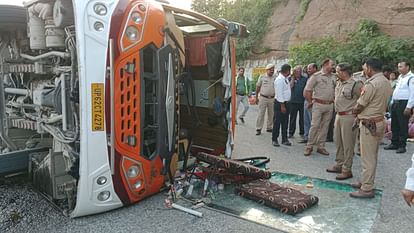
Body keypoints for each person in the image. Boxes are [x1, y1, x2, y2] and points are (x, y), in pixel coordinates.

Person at [350, 58, 393, 198]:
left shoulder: (371, 84)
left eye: (364, 68)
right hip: (379, 121)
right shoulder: (386, 81)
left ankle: (367, 188)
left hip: (369, 123)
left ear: (369, 68)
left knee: (367, 157)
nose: (364, 70)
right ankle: (365, 181)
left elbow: (361, 104)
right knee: (371, 155)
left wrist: (355, 111)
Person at [326, 63, 363, 180]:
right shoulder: (339, 83)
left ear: (343, 72)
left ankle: (347, 170)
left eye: (337, 71)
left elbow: (362, 100)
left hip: (349, 116)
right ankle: (339, 164)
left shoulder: (356, 84)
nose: (336, 73)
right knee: (339, 142)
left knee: (348, 144)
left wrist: (358, 116)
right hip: (338, 115)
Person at [303, 59, 336, 156]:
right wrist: (310, 102)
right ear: (325, 65)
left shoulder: (334, 77)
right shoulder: (316, 76)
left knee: (325, 127)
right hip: (318, 104)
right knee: (315, 126)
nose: (333, 67)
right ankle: (309, 146)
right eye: (332, 65)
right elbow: (307, 90)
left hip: (329, 105)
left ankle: (321, 146)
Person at [384, 61, 414, 153]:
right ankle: (394, 142)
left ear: (407, 67)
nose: (399, 68)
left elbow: (412, 93)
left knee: (402, 125)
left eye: (401, 66)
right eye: (398, 67)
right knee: (395, 124)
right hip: (396, 103)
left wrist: (409, 107)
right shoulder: (400, 77)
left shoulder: (411, 78)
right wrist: (392, 102)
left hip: (404, 103)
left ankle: (402, 145)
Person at [272, 64, 292, 146]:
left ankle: (284, 138)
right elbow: (279, 94)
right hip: (280, 103)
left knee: (285, 121)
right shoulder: (279, 80)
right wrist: (282, 106)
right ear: (287, 71)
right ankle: (274, 139)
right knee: (277, 122)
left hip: (286, 103)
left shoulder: (285, 79)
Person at [255, 64, 276, 135]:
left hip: (272, 98)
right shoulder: (262, 76)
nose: (272, 71)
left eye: (273, 70)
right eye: (270, 70)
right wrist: (256, 97)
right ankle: (258, 128)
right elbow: (258, 87)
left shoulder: (275, 77)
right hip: (263, 98)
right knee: (261, 113)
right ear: (267, 70)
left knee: (271, 114)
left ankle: (269, 127)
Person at [300, 63, 318, 143]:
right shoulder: (309, 77)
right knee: (306, 120)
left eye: (310, 68)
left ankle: (313, 138)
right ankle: (307, 136)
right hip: (306, 102)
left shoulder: (318, 78)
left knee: (313, 121)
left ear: (315, 69)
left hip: (313, 102)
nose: (308, 70)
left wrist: (311, 101)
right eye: (308, 68)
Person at [288, 65, 306, 138]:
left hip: (302, 101)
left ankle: (302, 132)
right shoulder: (290, 78)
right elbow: (290, 87)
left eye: (299, 71)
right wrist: (293, 78)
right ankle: (291, 132)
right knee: (292, 118)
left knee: (302, 118)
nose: (297, 72)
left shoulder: (304, 79)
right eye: (296, 71)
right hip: (293, 101)